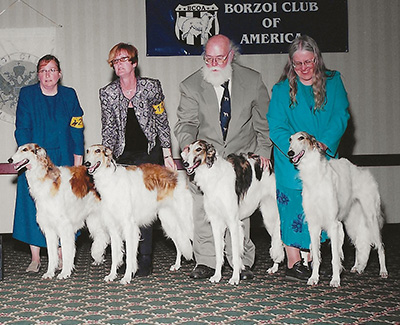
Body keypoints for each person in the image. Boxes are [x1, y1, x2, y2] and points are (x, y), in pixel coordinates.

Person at [174, 34, 271, 280]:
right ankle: (206, 260)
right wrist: (188, 148)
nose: (213, 63)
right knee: (202, 208)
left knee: (238, 211)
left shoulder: (253, 80)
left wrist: (263, 152)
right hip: (207, 162)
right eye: (208, 58)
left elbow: (263, 121)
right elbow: (185, 123)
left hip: (241, 159)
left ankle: (240, 261)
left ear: (231, 56)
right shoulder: (191, 85)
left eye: (219, 58)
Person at [267, 35, 350, 281]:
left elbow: (341, 115)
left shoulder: (333, 82)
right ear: (291, 64)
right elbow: (276, 125)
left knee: (322, 208)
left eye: (308, 62)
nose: (304, 68)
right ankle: (293, 263)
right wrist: (295, 150)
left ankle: (314, 259)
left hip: (322, 159)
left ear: (317, 59)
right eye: (298, 63)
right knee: (292, 208)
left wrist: (323, 143)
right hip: (290, 159)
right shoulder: (281, 89)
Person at [99, 42, 176, 277]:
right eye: (115, 61)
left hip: (149, 153)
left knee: (145, 206)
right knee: (121, 208)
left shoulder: (152, 87)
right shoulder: (107, 93)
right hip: (123, 156)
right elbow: (109, 129)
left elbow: (162, 121)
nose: (118, 64)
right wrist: (107, 157)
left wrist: (167, 153)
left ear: (134, 63)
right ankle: (123, 258)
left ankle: (145, 259)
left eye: (123, 60)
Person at [13, 54, 85, 273]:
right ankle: (35, 258)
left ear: (59, 74)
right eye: (43, 71)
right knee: (32, 207)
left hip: (63, 158)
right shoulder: (27, 94)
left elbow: (77, 127)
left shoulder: (70, 95)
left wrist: (78, 158)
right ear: (38, 75)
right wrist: (28, 157)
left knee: (64, 208)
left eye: (52, 70)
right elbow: (22, 127)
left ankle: (62, 255)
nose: (48, 75)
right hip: (36, 161)